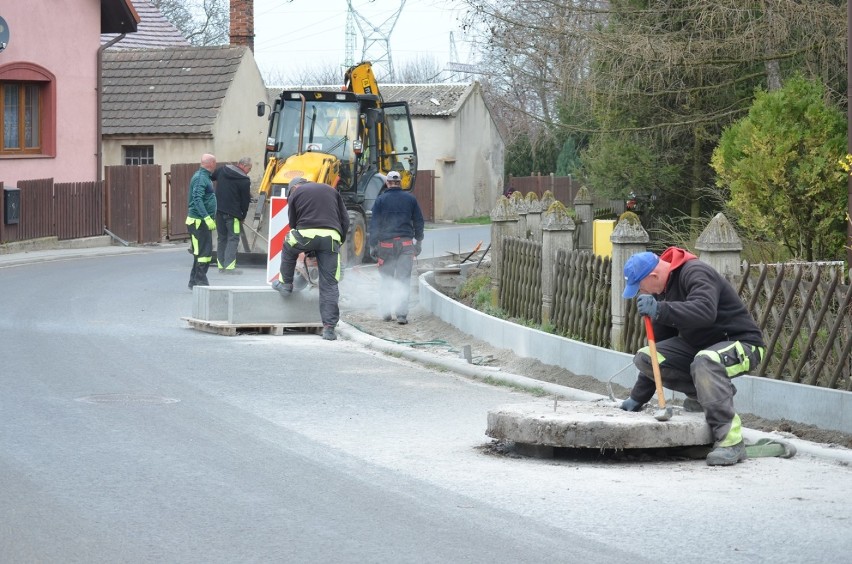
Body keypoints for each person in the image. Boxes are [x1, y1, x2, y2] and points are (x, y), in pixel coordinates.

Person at [620, 247, 766, 466]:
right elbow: (659, 347)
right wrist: (638, 397)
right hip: (701, 349)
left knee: (706, 362)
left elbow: (705, 312)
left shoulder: (695, 272)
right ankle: (704, 396)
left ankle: (731, 441)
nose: (641, 292)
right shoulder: (662, 292)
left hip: (742, 344)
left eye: (640, 286)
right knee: (647, 357)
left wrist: (660, 310)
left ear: (653, 276)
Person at [272, 177, 350, 341]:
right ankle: (329, 329)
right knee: (329, 284)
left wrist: (305, 245)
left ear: (293, 188)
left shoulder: (295, 192)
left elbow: (293, 223)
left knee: (288, 245)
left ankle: (286, 285)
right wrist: (338, 242)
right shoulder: (331, 190)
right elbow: (345, 219)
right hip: (331, 237)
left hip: (305, 235)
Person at [368, 170, 425, 324]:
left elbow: (374, 225)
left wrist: (373, 245)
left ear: (387, 183)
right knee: (403, 279)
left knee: (386, 279)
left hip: (386, 246)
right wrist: (418, 241)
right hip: (406, 245)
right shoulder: (410, 199)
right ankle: (401, 315)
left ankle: (386, 313)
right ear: (400, 182)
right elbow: (419, 222)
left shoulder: (380, 200)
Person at [214, 157, 252, 273]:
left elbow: (212, 176)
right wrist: (243, 216)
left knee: (221, 239)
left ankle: (221, 266)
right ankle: (229, 267)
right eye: (249, 168)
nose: (249, 171)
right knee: (233, 239)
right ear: (243, 166)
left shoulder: (222, 170)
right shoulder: (244, 180)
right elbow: (245, 201)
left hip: (218, 212)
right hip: (233, 215)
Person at [186, 153, 217, 290]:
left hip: (200, 221)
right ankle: (201, 283)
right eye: (215, 163)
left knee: (200, 253)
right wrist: (206, 217)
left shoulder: (204, 177)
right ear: (211, 164)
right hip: (199, 222)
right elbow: (197, 199)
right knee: (204, 254)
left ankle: (194, 282)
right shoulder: (200, 178)